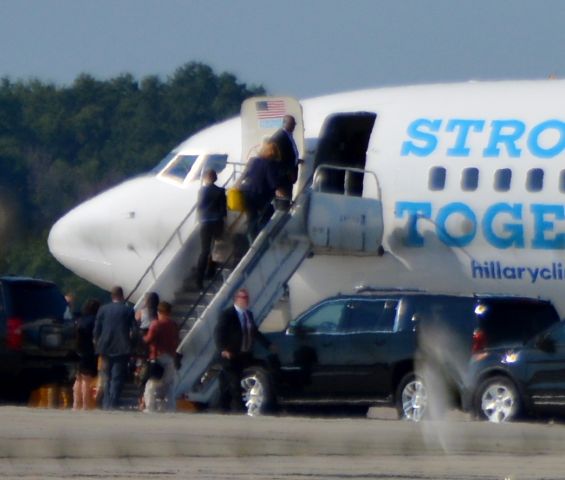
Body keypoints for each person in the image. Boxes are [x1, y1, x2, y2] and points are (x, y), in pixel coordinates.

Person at [214, 288, 271, 412]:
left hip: (243, 355)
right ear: (237, 299)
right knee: (234, 384)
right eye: (244, 298)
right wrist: (223, 349)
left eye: (247, 298)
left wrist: (268, 344)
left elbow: (254, 332)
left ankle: (222, 408)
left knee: (226, 384)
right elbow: (219, 332)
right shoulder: (228, 314)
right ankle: (238, 410)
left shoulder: (248, 314)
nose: (246, 300)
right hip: (229, 355)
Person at [93, 286, 136, 410]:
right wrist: (132, 344)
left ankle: (106, 402)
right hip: (122, 348)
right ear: (122, 296)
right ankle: (112, 403)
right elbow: (134, 330)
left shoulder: (103, 309)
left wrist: (97, 343)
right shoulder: (128, 310)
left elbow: (97, 330)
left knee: (106, 377)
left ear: (112, 296)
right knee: (117, 377)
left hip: (105, 347)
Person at [239, 141, 281, 240]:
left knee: (251, 218)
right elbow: (272, 182)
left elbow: (246, 175)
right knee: (268, 215)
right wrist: (279, 189)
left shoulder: (253, 161)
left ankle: (251, 241)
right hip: (260, 195)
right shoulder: (269, 164)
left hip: (247, 193)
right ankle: (263, 238)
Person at [143, 301, 179, 412]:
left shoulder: (156, 324)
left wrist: (142, 338)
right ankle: (170, 407)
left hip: (158, 357)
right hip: (171, 357)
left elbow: (148, 339)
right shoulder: (173, 325)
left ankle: (150, 407)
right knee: (169, 384)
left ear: (159, 312)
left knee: (151, 384)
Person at [195, 169, 227, 290]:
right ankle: (211, 272)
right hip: (217, 222)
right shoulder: (220, 191)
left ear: (205, 178)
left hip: (205, 223)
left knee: (204, 251)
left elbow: (200, 206)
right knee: (217, 248)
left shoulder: (202, 191)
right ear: (215, 178)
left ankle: (199, 279)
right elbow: (223, 210)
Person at [72, 298, 101, 410]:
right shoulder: (94, 321)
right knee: (86, 379)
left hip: (77, 351)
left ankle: (76, 404)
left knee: (78, 379)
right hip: (88, 352)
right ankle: (85, 405)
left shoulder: (80, 319)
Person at [134, 291, 159, 410]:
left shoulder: (141, 313)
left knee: (140, 374)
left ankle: (141, 400)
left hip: (142, 345)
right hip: (154, 346)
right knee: (149, 374)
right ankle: (145, 399)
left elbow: (135, 325)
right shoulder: (157, 315)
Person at [270, 115, 300, 194]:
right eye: (292, 124)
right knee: (283, 201)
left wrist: (296, 160)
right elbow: (278, 158)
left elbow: (289, 153)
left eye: (294, 124)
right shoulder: (279, 137)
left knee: (287, 198)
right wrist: (289, 171)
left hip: (288, 176)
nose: (294, 126)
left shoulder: (288, 135)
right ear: (285, 123)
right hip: (283, 177)